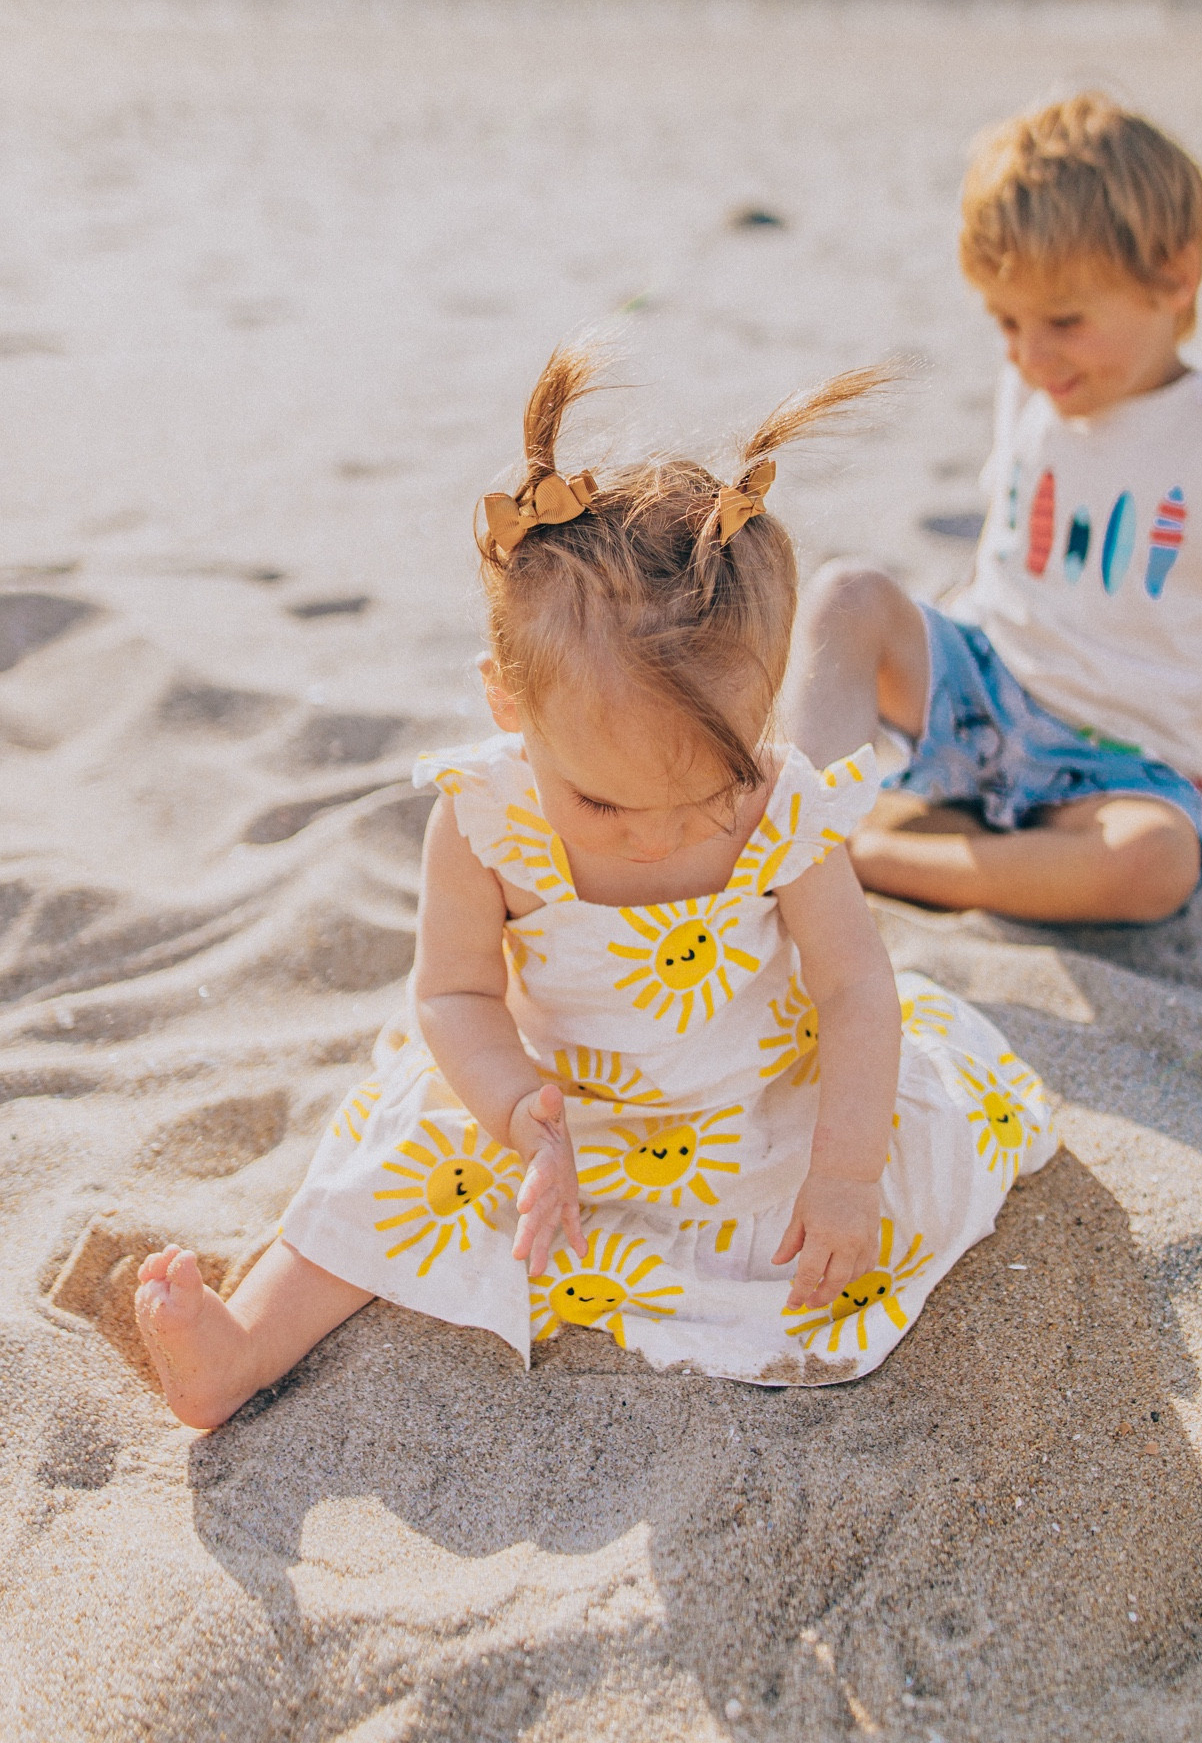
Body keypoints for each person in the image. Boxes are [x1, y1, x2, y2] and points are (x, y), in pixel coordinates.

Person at [134, 350, 1055, 1428]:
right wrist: (513, 1106)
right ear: (508, 705)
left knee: (887, 1182)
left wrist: (846, 1174)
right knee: (395, 1173)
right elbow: (453, 996)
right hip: (547, 1104)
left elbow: (855, 987)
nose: (657, 839)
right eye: (605, 804)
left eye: (705, 795)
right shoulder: (484, 820)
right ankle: (242, 1347)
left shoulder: (783, 811)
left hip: (747, 1102)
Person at [789, 93, 1202, 925]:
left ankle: (868, 857)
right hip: (980, 687)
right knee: (849, 596)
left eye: (1064, 321)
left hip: (1123, 762)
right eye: (1006, 322)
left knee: (1156, 866)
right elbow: (1004, 549)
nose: (1031, 356)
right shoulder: (1032, 389)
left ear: (1176, 276)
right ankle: (805, 825)